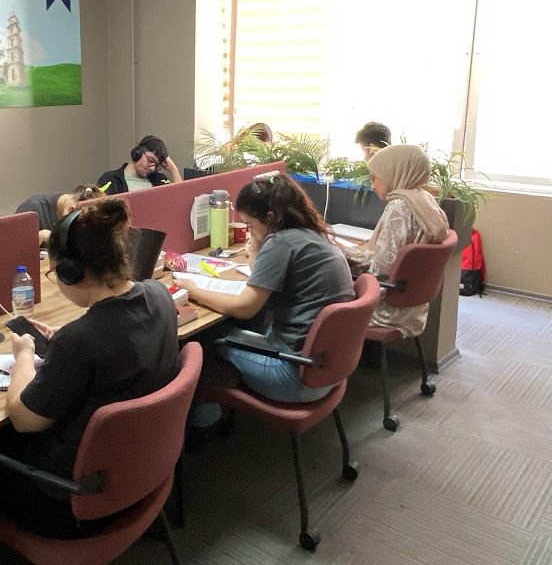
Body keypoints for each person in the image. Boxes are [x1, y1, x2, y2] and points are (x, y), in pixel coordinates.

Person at [0, 198, 180, 538]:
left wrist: (24, 355)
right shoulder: (160, 295)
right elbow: (116, 334)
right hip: (139, 476)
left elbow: (24, 419)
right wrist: (69, 338)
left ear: (70, 272)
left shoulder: (81, 340)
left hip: (71, 500)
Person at [178, 175, 353, 403]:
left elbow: (245, 308)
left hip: (295, 377)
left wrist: (193, 290)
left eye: (250, 225)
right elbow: (264, 278)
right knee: (226, 332)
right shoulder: (313, 234)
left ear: (270, 217)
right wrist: (256, 250)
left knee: (198, 343)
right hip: (326, 371)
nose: (249, 231)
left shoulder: (281, 242)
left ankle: (207, 416)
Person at [346, 145, 449, 337]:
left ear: (392, 174)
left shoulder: (399, 207)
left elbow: (381, 269)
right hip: (413, 308)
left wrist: (341, 252)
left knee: (319, 295)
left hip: (385, 310)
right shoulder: (426, 199)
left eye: (374, 178)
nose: (372, 186)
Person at [14, 184, 104, 246]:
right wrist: (38, 238)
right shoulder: (32, 207)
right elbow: (12, 250)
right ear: (71, 209)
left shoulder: (71, 209)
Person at [96, 135, 183, 194]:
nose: (152, 168)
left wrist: (174, 170)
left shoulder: (160, 180)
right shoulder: (111, 180)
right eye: (150, 160)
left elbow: (180, 199)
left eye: (156, 166)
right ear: (137, 153)